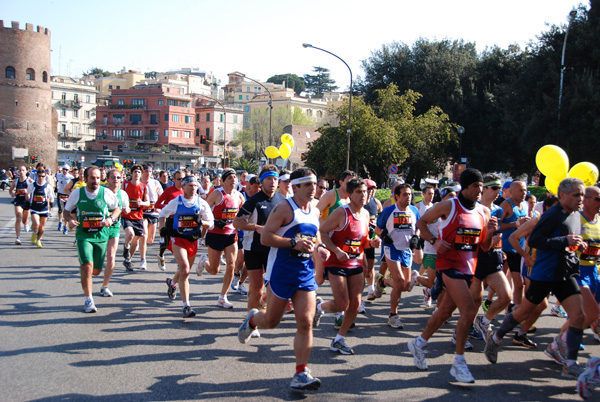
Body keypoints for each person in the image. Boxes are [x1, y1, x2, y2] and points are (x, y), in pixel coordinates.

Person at [483, 178, 595, 384]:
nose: (581, 200)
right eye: (577, 195)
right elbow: (535, 240)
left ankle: (570, 364)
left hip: (566, 273)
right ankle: (496, 337)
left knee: (579, 316)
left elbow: (568, 241)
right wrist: (565, 241)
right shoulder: (552, 215)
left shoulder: (575, 215)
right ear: (562, 195)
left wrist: (577, 246)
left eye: (582, 195)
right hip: (545, 273)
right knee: (524, 312)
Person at [238, 167, 330, 392]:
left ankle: (301, 373)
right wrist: (292, 243)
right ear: (295, 187)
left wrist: (320, 248)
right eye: (307, 185)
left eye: (314, 184)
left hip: (305, 273)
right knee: (272, 321)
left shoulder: (315, 211)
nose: (312, 189)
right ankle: (252, 320)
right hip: (280, 272)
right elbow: (267, 237)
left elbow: (315, 236)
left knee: (306, 322)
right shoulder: (284, 208)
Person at [409, 168, 497, 383]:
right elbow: (421, 223)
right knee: (468, 310)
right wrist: (434, 241)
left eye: (481, 187)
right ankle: (459, 363)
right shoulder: (449, 205)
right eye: (475, 186)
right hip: (448, 265)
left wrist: (491, 232)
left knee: (445, 311)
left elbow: (484, 246)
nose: (480, 190)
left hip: (469, 268)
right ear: (465, 187)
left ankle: (418, 343)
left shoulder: (484, 212)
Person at [316, 178, 381, 354]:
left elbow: (362, 242)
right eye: (359, 192)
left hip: (355, 263)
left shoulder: (366, 214)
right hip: (337, 262)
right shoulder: (340, 212)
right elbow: (323, 232)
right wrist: (336, 251)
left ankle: (339, 339)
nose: (363, 195)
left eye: (365, 191)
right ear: (350, 195)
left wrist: (371, 243)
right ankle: (319, 307)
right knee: (342, 304)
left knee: (355, 304)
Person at [64, 166, 121, 313]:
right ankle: (88, 299)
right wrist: (70, 220)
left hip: (101, 236)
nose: (95, 181)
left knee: (95, 271)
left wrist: (110, 218)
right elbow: (66, 211)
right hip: (84, 235)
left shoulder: (106, 193)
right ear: (85, 178)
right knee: (87, 266)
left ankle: (85, 270)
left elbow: (117, 208)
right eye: (92, 178)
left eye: (97, 178)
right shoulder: (77, 193)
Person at [234, 165, 285, 317]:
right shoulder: (253, 201)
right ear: (262, 182)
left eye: (275, 179)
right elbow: (237, 222)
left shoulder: (282, 200)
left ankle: (261, 304)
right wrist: (256, 227)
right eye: (269, 178)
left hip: (274, 250)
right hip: (253, 249)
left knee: (274, 288)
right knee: (256, 289)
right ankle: (251, 322)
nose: (273, 182)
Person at [158, 176, 213, 318]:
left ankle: (172, 282)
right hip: (178, 240)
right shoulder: (177, 202)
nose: (193, 188)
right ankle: (186, 306)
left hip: (193, 240)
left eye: (195, 185)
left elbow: (211, 223)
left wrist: (201, 223)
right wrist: (162, 229)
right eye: (190, 185)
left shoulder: (201, 203)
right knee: (185, 270)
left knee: (184, 270)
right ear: (183, 187)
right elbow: (162, 213)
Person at [469, 174, 512, 342]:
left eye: (499, 188)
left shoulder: (499, 210)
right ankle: (462, 332)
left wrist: (499, 247)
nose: (498, 191)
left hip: (493, 258)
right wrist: (485, 240)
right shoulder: (473, 208)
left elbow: (498, 233)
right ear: (484, 189)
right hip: (475, 258)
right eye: (494, 188)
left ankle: (483, 321)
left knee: (506, 296)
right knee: (474, 301)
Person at [373, 183, 421, 329]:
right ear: (397, 196)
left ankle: (382, 282)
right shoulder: (388, 211)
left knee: (405, 286)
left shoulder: (414, 210)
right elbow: (376, 228)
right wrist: (383, 235)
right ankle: (393, 315)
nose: (408, 197)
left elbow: (418, 228)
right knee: (399, 282)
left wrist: (416, 237)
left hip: (406, 250)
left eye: (410, 194)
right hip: (391, 248)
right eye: (405, 194)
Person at [197, 168, 245, 308]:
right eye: (229, 178)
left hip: (231, 235)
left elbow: (244, 213)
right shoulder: (217, 194)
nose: (233, 180)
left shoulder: (238, 196)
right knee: (214, 270)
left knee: (231, 265)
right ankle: (203, 261)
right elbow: (203, 212)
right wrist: (215, 221)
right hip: (215, 234)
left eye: (234, 177)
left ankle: (223, 297)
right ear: (223, 181)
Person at [500, 180, 530, 312]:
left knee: (519, 285)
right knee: (496, 285)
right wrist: (515, 224)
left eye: (525, 190)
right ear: (511, 192)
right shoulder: (506, 205)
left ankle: (514, 314)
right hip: (504, 249)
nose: (524, 193)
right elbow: (496, 227)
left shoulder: (525, 205)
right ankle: (488, 303)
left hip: (518, 249)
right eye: (521, 190)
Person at [101, 168, 130, 297]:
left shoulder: (123, 194)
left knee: (111, 257)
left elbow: (127, 209)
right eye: (113, 177)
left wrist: (126, 209)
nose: (116, 180)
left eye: (118, 177)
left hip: (114, 227)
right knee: (98, 257)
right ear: (107, 179)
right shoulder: (101, 192)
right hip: (99, 228)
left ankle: (105, 285)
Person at [155, 169, 186, 271]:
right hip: (170, 219)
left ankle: (179, 264)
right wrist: (168, 207)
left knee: (180, 242)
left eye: (183, 179)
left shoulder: (187, 191)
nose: (181, 181)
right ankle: (160, 255)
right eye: (179, 179)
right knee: (167, 242)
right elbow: (157, 204)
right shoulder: (169, 191)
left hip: (182, 221)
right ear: (174, 180)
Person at [121, 165, 150, 270]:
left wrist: (141, 202)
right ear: (131, 174)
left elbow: (148, 202)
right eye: (135, 172)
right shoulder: (125, 185)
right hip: (126, 215)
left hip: (138, 216)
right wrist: (124, 206)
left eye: (138, 172)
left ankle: (128, 260)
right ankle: (126, 246)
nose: (137, 174)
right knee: (130, 234)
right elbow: (118, 198)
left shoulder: (143, 187)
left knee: (136, 241)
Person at [27, 165, 54, 248]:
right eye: (39, 176)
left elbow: (51, 197)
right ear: (37, 176)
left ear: (45, 176)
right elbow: (27, 193)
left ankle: (38, 240)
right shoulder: (33, 185)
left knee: (42, 228)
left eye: (43, 176)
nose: (41, 178)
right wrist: (28, 200)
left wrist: (51, 205)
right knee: (36, 224)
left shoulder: (48, 187)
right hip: (34, 208)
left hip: (44, 209)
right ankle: (34, 233)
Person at [364, 179, 382, 300]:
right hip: (358, 240)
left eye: (373, 188)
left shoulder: (376, 202)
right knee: (360, 266)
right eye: (369, 188)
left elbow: (380, 214)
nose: (372, 191)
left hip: (371, 239)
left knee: (370, 265)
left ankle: (371, 290)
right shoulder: (355, 201)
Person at [141, 164, 164, 247]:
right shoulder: (138, 182)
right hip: (141, 212)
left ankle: (142, 244)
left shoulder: (155, 183)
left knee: (150, 239)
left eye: (150, 171)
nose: (148, 173)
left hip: (153, 212)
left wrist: (159, 207)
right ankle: (140, 249)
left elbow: (162, 196)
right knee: (144, 233)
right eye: (146, 171)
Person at [9, 165, 31, 245]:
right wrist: (12, 193)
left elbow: (34, 189)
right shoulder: (16, 181)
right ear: (18, 172)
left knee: (24, 220)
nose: (21, 172)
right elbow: (11, 190)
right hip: (18, 200)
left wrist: (28, 192)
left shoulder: (29, 180)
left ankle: (26, 223)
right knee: (18, 216)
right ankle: (18, 238)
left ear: (26, 171)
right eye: (20, 170)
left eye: (23, 170)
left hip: (26, 201)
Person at [56, 165, 74, 234]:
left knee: (66, 211)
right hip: (60, 194)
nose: (65, 171)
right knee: (60, 210)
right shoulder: (59, 175)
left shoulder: (70, 177)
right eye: (64, 169)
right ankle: (60, 222)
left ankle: (65, 226)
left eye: (66, 169)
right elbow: (56, 181)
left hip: (66, 195)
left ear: (69, 170)